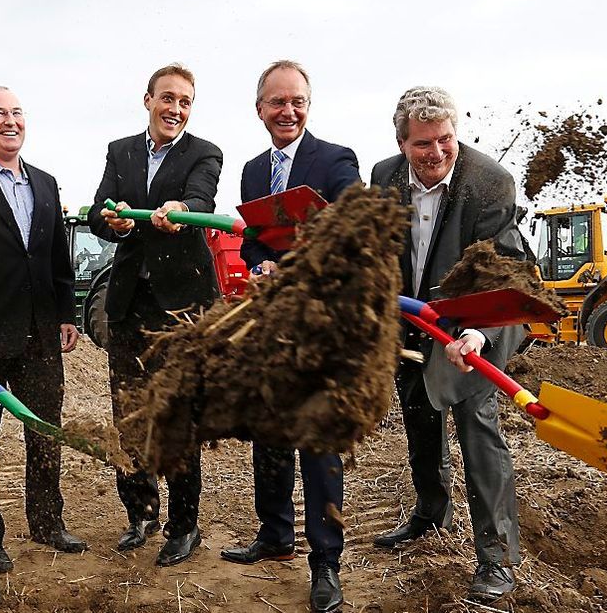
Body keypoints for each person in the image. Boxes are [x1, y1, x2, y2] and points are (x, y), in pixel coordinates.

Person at [369, 86, 526, 601]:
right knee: (418, 412)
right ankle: (430, 513)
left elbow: (501, 272)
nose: (436, 153)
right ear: (401, 143)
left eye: (445, 140)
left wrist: (477, 333)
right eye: (422, 145)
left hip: (476, 320)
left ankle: (496, 557)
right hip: (413, 319)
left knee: (476, 426)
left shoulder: (489, 183)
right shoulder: (384, 176)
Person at [221, 60, 360, 613]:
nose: (288, 110)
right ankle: (274, 534)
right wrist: (260, 265)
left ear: (309, 104)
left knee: (319, 441)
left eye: (297, 100)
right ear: (260, 110)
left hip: (323, 324)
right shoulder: (254, 169)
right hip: (272, 323)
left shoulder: (335, 159)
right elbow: (253, 240)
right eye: (277, 102)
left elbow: (352, 228)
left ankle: (326, 563)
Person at [88, 63, 221, 567]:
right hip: (128, 305)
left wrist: (180, 209)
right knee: (129, 413)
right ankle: (141, 513)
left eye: (185, 101)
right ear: (148, 100)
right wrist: (117, 221)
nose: (176, 109)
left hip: (181, 308)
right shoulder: (120, 150)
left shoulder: (204, 152)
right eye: (168, 98)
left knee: (177, 416)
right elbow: (101, 210)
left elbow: (200, 198)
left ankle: (184, 526)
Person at [0, 86, 85, 575]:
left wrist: (66, 314)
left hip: (39, 332)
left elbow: (56, 254)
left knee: (43, 432)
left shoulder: (46, 181)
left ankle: (47, 520)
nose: (9, 120)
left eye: (16, 112)